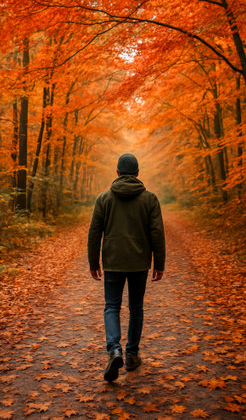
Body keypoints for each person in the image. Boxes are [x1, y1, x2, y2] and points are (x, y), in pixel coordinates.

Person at [87, 153, 166, 382]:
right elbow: (157, 233)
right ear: (138, 173)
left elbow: (94, 232)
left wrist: (94, 262)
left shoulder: (104, 199)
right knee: (136, 308)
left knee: (112, 306)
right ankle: (131, 355)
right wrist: (159, 263)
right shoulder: (150, 199)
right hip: (139, 262)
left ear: (118, 173)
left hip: (113, 261)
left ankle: (114, 349)